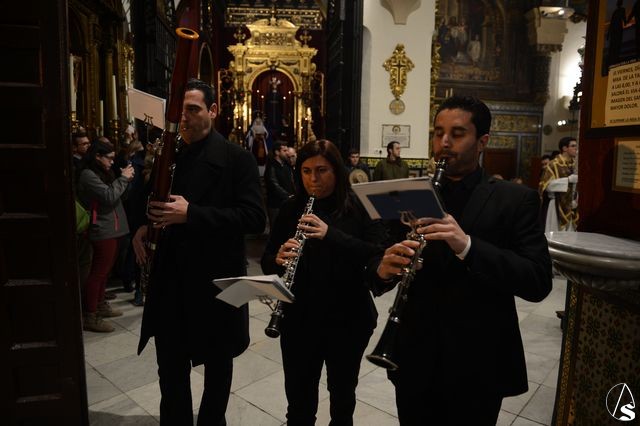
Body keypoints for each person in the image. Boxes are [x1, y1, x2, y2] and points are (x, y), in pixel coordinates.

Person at [369, 95, 552, 425]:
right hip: (414, 354)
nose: (443, 142)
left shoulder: (516, 199)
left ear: (483, 141)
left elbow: (537, 281)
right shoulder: (408, 194)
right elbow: (379, 260)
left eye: (457, 133)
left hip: (477, 360)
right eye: (438, 132)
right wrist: (383, 269)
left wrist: (467, 246)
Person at [132, 78, 265, 425]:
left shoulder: (238, 158)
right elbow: (151, 203)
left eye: (193, 109)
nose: (185, 117)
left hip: (216, 282)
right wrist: (143, 227)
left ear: (213, 110)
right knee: (170, 372)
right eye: (180, 111)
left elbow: (254, 218)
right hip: (171, 283)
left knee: (218, 372)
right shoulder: (169, 154)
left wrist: (191, 214)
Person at [261, 139, 387, 425]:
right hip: (299, 319)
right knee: (299, 405)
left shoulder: (360, 205)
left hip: (348, 318)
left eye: (321, 170)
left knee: (342, 399)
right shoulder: (292, 207)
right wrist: (278, 259)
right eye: (306, 171)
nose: (313, 179)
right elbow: (268, 259)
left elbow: (377, 254)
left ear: (337, 171)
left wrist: (331, 234)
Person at [77, 139, 135, 332]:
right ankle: (90, 315)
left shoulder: (103, 171)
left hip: (113, 227)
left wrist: (126, 181)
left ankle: (100, 305)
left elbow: (118, 196)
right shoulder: (88, 174)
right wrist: (123, 179)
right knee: (98, 273)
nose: (112, 162)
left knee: (105, 272)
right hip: (102, 228)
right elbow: (109, 196)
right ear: (97, 156)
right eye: (108, 158)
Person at [539, 136, 579, 232]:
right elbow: (547, 186)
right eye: (573, 146)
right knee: (555, 234)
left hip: (572, 206)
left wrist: (576, 200)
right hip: (556, 205)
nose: (576, 148)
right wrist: (567, 180)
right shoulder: (553, 164)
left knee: (571, 235)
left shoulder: (576, 165)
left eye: (576, 146)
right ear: (564, 148)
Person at [264, 141, 296, 229]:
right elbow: (274, 185)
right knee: (276, 229)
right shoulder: (271, 167)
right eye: (284, 151)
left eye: (287, 150)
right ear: (277, 152)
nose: (287, 153)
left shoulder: (286, 165)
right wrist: (288, 196)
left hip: (287, 203)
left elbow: (292, 182)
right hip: (276, 205)